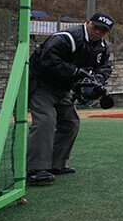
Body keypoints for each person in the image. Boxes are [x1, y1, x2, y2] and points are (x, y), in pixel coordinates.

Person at [26, 13, 114, 185]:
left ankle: (55, 164)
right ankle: (35, 169)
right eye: (95, 27)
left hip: (64, 88)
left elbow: (105, 66)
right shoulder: (66, 38)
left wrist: (98, 79)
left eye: (103, 30)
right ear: (87, 22)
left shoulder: (103, 47)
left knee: (71, 123)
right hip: (41, 85)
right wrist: (75, 72)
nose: (97, 32)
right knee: (45, 121)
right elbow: (47, 60)